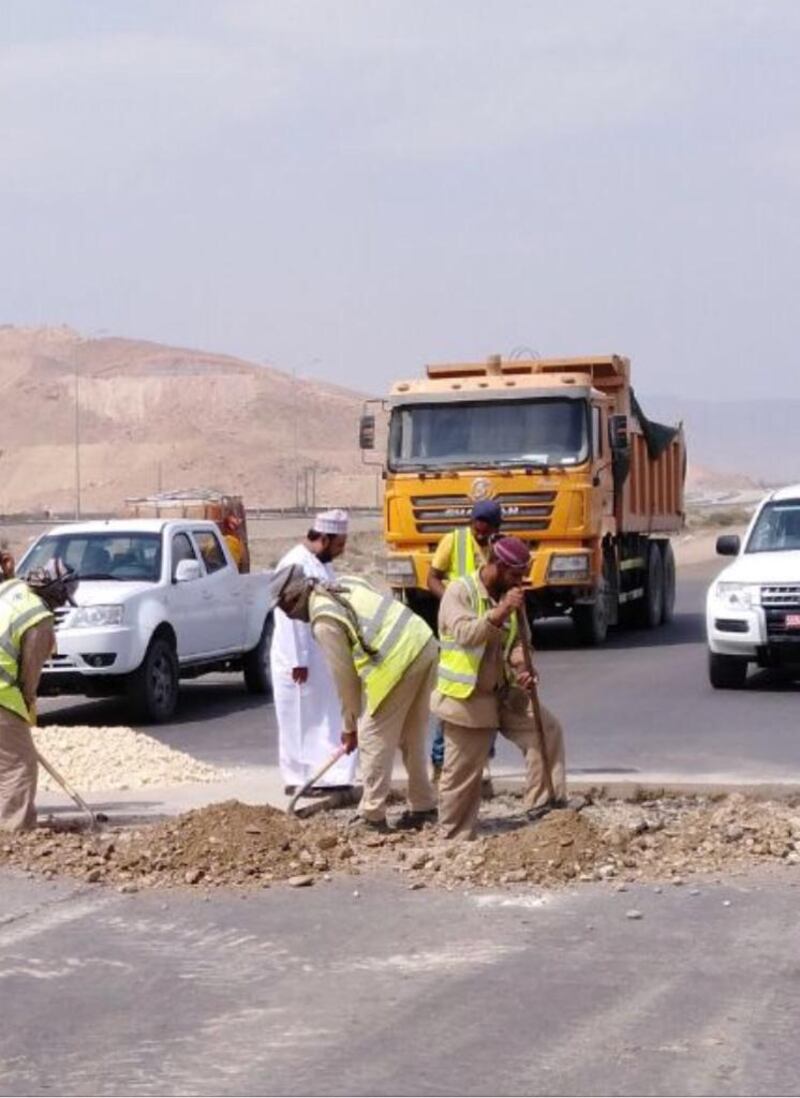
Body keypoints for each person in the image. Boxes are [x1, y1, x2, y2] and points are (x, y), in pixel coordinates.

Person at [274, 566, 438, 833]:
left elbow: (345, 679)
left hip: (398, 661)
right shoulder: (344, 584)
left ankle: (372, 816)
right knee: (411, 736)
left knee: (373, 736)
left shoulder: (324, 619)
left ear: (294, 598)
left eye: (285, 608)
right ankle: (423, 806)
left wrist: (350, 727)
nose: (290, 616)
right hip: (423, 642)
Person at [432, 536, 567, 840]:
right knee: (463, 774)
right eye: (515, 574)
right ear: (499, 566)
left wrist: (523, 667)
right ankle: (453, 836)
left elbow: (519, 642)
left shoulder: (511, 596)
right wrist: (502, 610)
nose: (519, 582)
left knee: (545, 730)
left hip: (503, 692)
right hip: (467, 698)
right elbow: (466, 634)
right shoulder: (460, 592)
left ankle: (543, 808)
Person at [270, 510, 357, 794]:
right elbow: (288, 615)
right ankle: (298, 779)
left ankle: (329, 776)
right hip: (298, 658)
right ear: (323, 538)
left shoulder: (320, 563)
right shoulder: (294, 564)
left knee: (324, 716)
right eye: (339, 545)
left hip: (319, 654)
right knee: (299, 718)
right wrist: (299, 660)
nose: (341, 551)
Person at [427, 500, 503, 781]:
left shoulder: (499, 549)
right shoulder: (453, 541)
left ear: (496, 528)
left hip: (487, 631)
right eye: (477, 529)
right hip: (459, 631)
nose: (480, 535)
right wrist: (451, 601)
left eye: (486, 532)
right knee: (451, 707)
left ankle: (482, 764)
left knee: (488, 704)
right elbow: (432, 578)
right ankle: (439, 765)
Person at [0, 559, 78, 831]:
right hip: (1, 694)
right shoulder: (40, 619)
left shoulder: (10, 589)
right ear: (57, 592)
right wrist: (27, 704)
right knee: (19, 766)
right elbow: (29, 675)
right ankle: (14, 832)